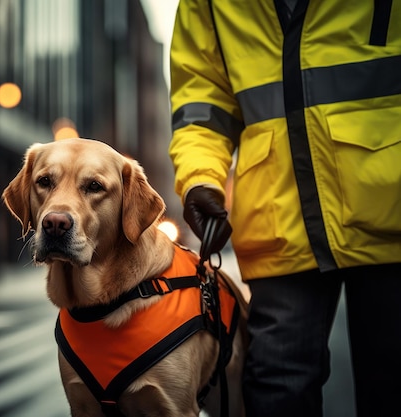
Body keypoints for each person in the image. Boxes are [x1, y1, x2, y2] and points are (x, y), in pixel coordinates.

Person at [168, 1, 401, 416]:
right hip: (280, 219)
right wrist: (200, 180)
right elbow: (201, 101)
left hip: (391, 205)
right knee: (276, 389)